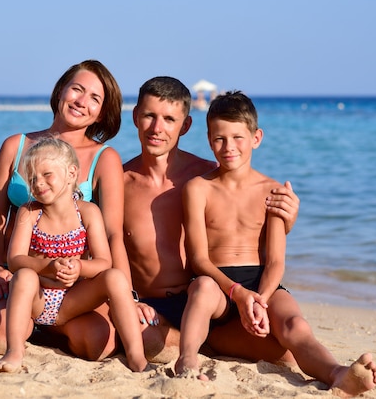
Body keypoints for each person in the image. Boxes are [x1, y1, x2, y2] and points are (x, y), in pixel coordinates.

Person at [174, 90, 376, 396]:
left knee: (294, 325)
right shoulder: (198, 189)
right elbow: (198, 260)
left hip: (261, 283)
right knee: (201, 288)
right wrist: (238, 294)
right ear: (208, 139)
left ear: (256, 138)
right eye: (219, 138)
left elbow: (276, 262)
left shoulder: (272, 191)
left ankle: (338, 374)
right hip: (217, 284)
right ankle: (187, 362)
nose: (228, 147)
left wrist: (260, 299)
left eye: (237, 137)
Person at [122, 77, 300, 361]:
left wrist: (286, 219)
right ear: (135, 117)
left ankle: (206, 340)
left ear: (186, 125)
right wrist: (128, 300)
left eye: (169, 119)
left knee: (286, 354)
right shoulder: (118, 182)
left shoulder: (207, 174)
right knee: (143, 340)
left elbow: (242, 220)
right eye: (149, 116)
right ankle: (202, 344)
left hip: (209, 298)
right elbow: (104, 244)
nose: (157, 128)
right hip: (154, 303)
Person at [0, 60, 127, 360]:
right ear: (61, 91)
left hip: (74, 286)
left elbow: (112, 234)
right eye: (77, 89)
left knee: (100, 344)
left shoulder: (104, 158)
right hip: (17, 277)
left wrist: (128, 295)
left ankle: (48, 327)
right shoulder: (16, 145)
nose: (82, 102)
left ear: (101, 113)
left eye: (95, 98)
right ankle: (22, 322)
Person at [0, 137, 147, 373]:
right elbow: (15, 259)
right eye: (32, 178)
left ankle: (137, 356)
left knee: (115, 277)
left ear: (72, 173)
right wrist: (48, 266)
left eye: (47, 175)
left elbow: (104, 262)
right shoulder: (29, 212)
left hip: (72, 301)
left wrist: (80, 268)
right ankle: (14, 351)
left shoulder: (88, 213)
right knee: (24, 277)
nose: (38, 183)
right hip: (38, 299)